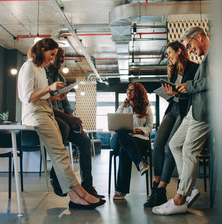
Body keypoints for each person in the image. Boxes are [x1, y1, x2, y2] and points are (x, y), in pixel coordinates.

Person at [17, 38, 105, 209]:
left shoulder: (40, 68)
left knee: (60, 153)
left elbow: (41, 95)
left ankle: (74, 196)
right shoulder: (28, 66)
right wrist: (50, 89)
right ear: (42, 49)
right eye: (51, 54)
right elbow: (26, 97)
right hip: (36, 113)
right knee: (60, 153)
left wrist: (54, 96)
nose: (52, 58)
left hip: (46, 109)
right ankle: (81, 192)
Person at [152, 26, 211, 215]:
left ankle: (180, 198)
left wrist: (190, 85)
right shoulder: (205, 59)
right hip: (194, 109)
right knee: (175, 144)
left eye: (190, 45)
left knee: (189, 149)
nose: (190, 50)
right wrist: (178, 91)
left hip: (205, 110)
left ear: (199, 37)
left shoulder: (215, 54)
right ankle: (189, 187)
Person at [144, 41, 199, 207]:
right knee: (158, 144)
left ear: (179, 51)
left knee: (170, 146)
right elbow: (174, 91)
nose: (168, 56)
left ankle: (161, 189)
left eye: (170, 52)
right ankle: (156, 185)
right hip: (172, 108)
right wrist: (170, 93)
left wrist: (177, 92)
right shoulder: (174, 71)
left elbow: (194, 94)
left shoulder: (194, 68)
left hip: (184, 110)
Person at [45, 48, 104, 199]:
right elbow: (45, 104)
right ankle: (55, 176)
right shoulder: (42, 75)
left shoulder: (61, 78)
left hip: (62, 117)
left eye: (63, 57)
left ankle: (88, 187)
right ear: (50, 56)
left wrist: (74, 119)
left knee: (85, 141)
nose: (61, 60)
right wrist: (68, 118)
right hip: (49, 116)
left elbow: (66, 105)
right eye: (58, 57)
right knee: (64, 127)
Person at [111, 82, 153, 200]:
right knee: (121, 134)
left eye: (132, 90)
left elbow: (149, 127)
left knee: (125, 151)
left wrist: (138, 130)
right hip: (119, 140)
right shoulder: (123, 107)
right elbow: (114, 125)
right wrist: (122, 108)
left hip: (138, 140)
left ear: (138, 93)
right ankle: (140, 162)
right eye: (127, 90)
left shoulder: (147, 107)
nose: (128, 92)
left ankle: (120, 190)